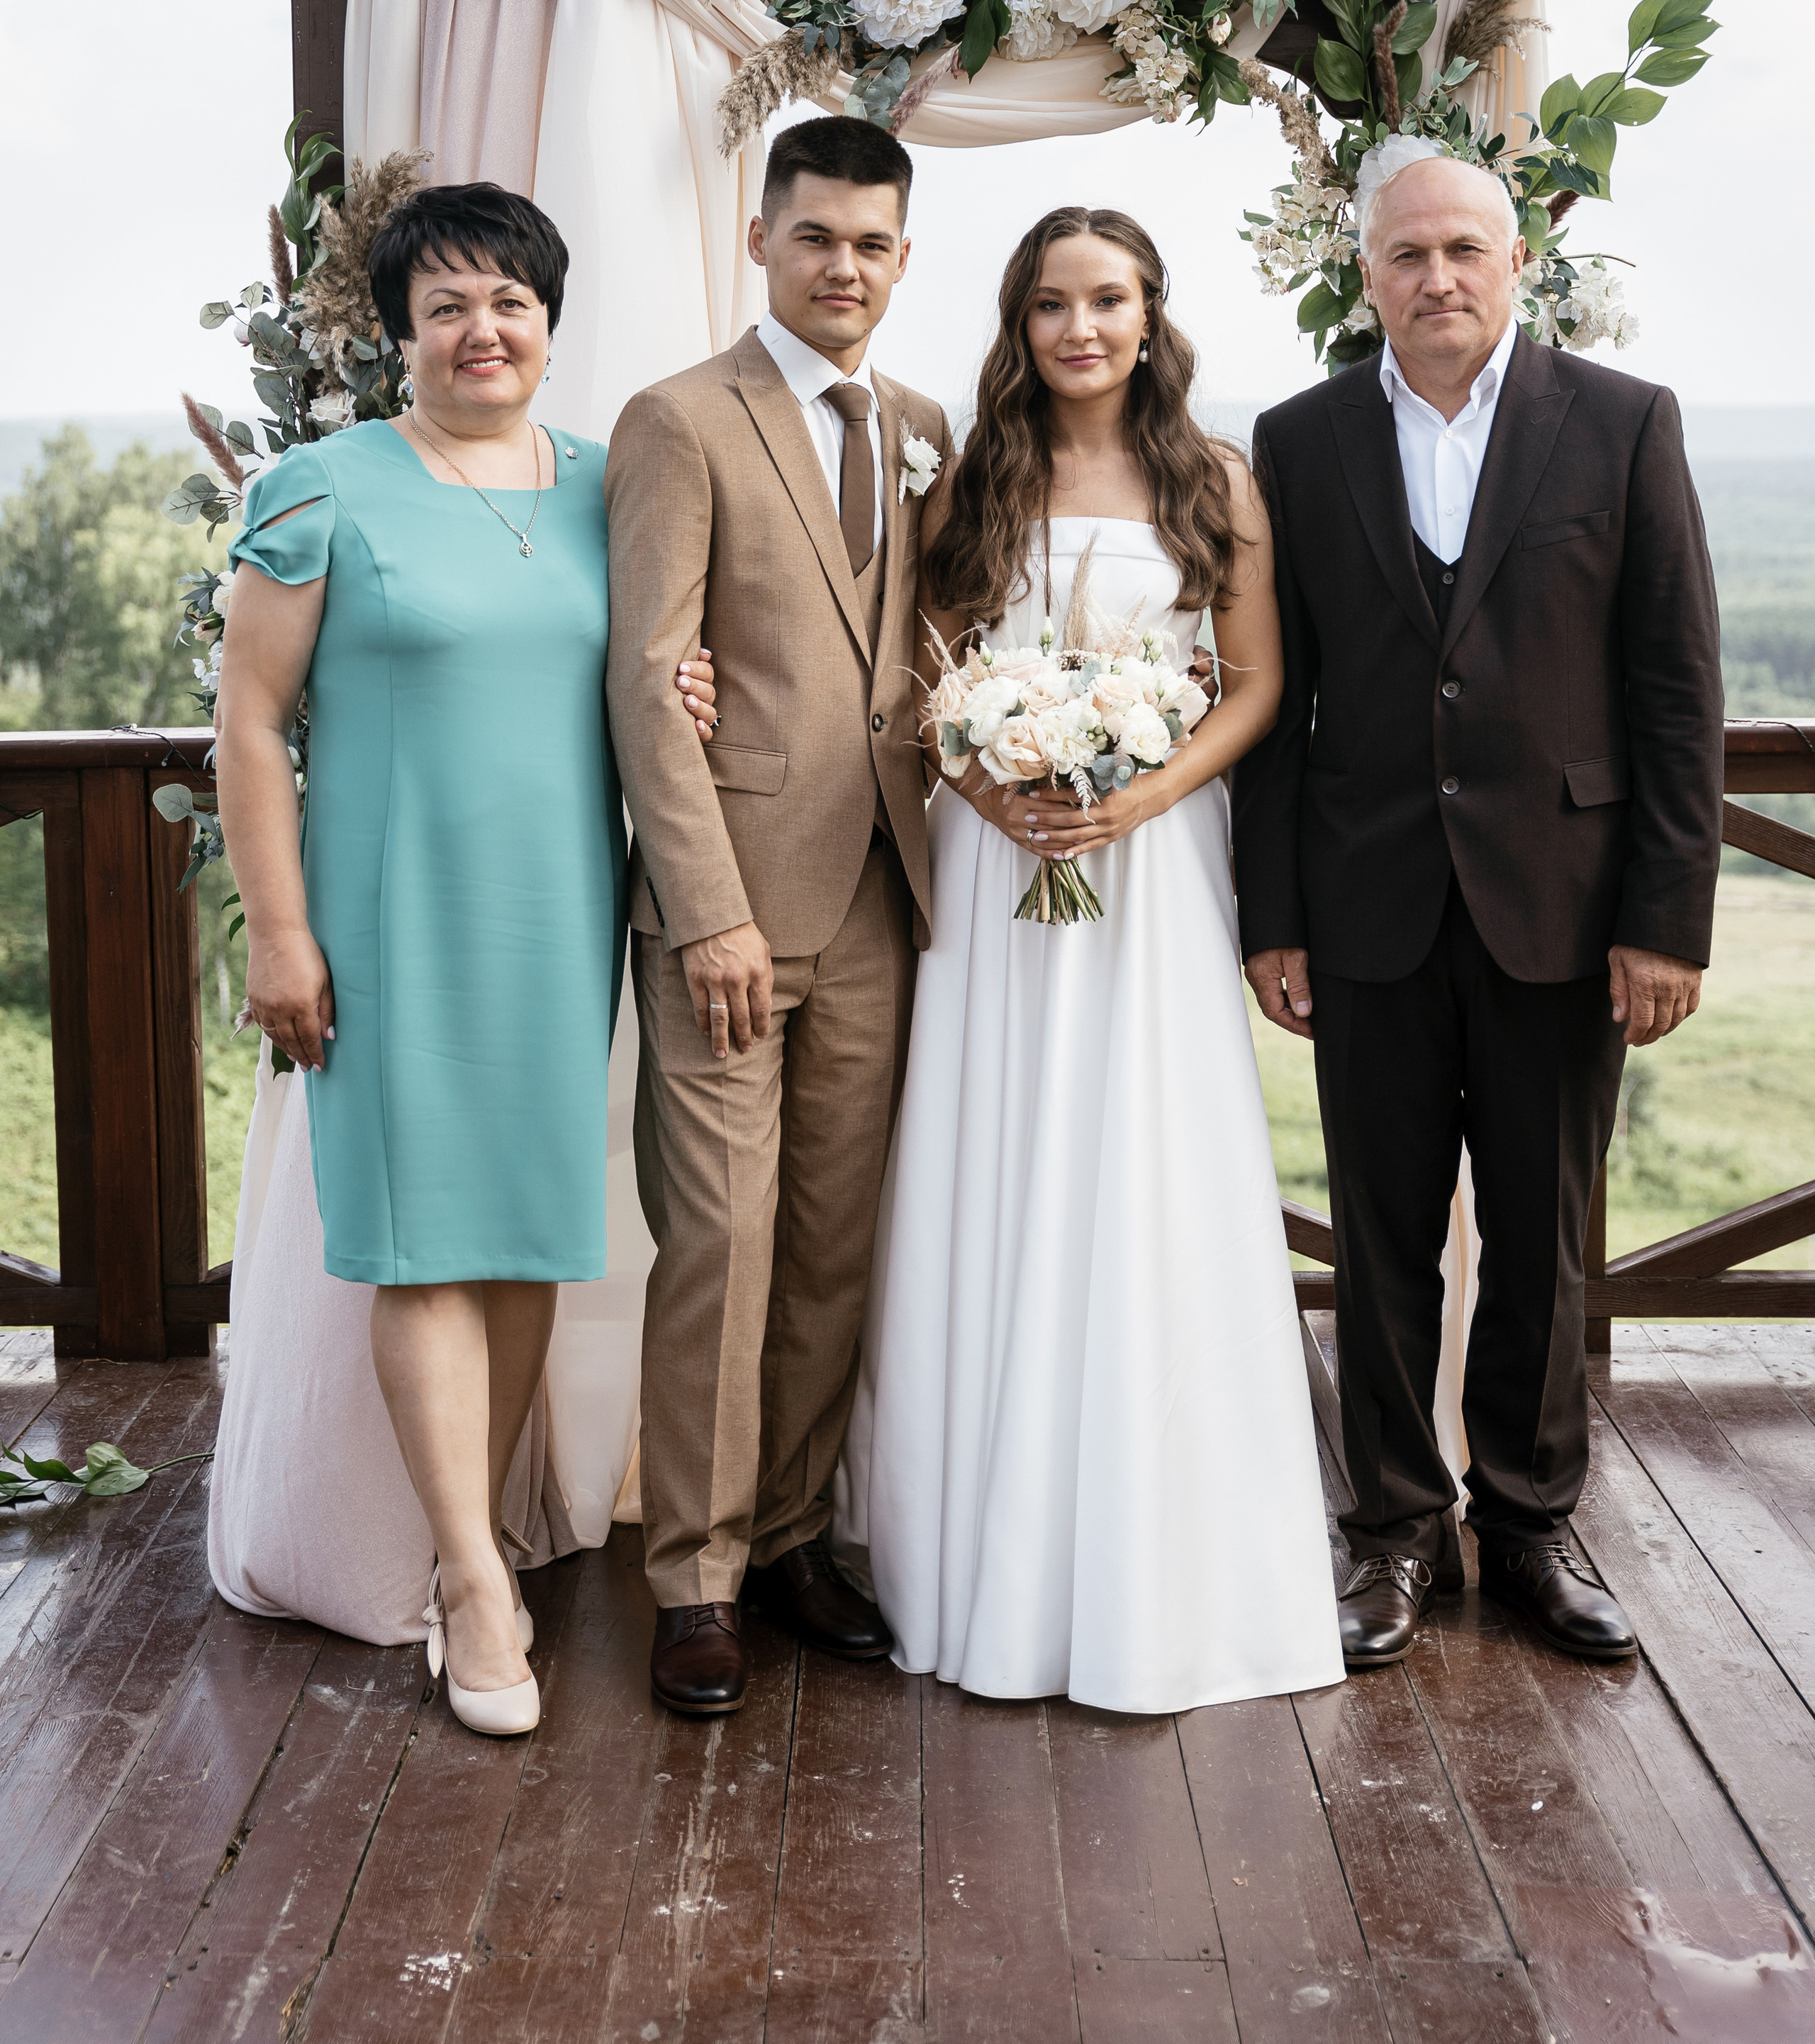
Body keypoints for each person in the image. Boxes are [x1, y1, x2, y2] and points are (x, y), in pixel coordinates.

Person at [837, 207, 1344, 1715]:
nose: (1079, 328)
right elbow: (924, 678)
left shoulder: (1215, 483)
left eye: (1106, 299)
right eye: (1051, 304)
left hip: (1154, 861)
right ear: (1018, 320)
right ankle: (971, 1545)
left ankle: (1164, 1549)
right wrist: (995, 788)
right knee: (997, 1161)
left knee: (1147, 1166)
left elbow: (1253, 688)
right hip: (1003, 875)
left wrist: (1139, 793)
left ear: (1148, 311)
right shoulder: (971, 478)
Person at [1234, 138, 1724, 1670]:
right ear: (1362, 272)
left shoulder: (1622, 423)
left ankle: (1524, 1523)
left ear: (1516, 262)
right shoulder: (1297, 440)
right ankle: (1385, 1531)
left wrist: (1667, 915)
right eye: (1403, 255)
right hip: (1365, 898)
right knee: (1377, 1239)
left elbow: (1673, 688)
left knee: (1541, 1232)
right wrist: (1271, 911)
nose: (1434, 277)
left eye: (1462, 250)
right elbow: (1278, 694)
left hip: (1565, 909)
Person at [216, 181, 686, 1736]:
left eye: (510, 304)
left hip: (560, 914)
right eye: (447, 308)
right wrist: (281, 933)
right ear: (401, 334)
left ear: (548, 323)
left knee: (532, 1234)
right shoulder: (320, 486)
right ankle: (478, 1594)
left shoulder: (613, 486)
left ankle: (463, 1532)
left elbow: (650, 674)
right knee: (421, 1239)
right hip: (385, 913)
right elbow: (249, 722)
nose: (481, 332)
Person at [604, 115, 952, 1716]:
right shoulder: (680, 421)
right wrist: (705, 912)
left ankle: (800, 1536)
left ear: (901, 255)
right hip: (731, 912)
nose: (844, 268)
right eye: (815, 237)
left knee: (829, 1246)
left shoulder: (922, 423)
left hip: (886, 894)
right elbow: (644, 679)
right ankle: (692, 1576)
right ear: (759, 240)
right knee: (721, 1246)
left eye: (873, 243)